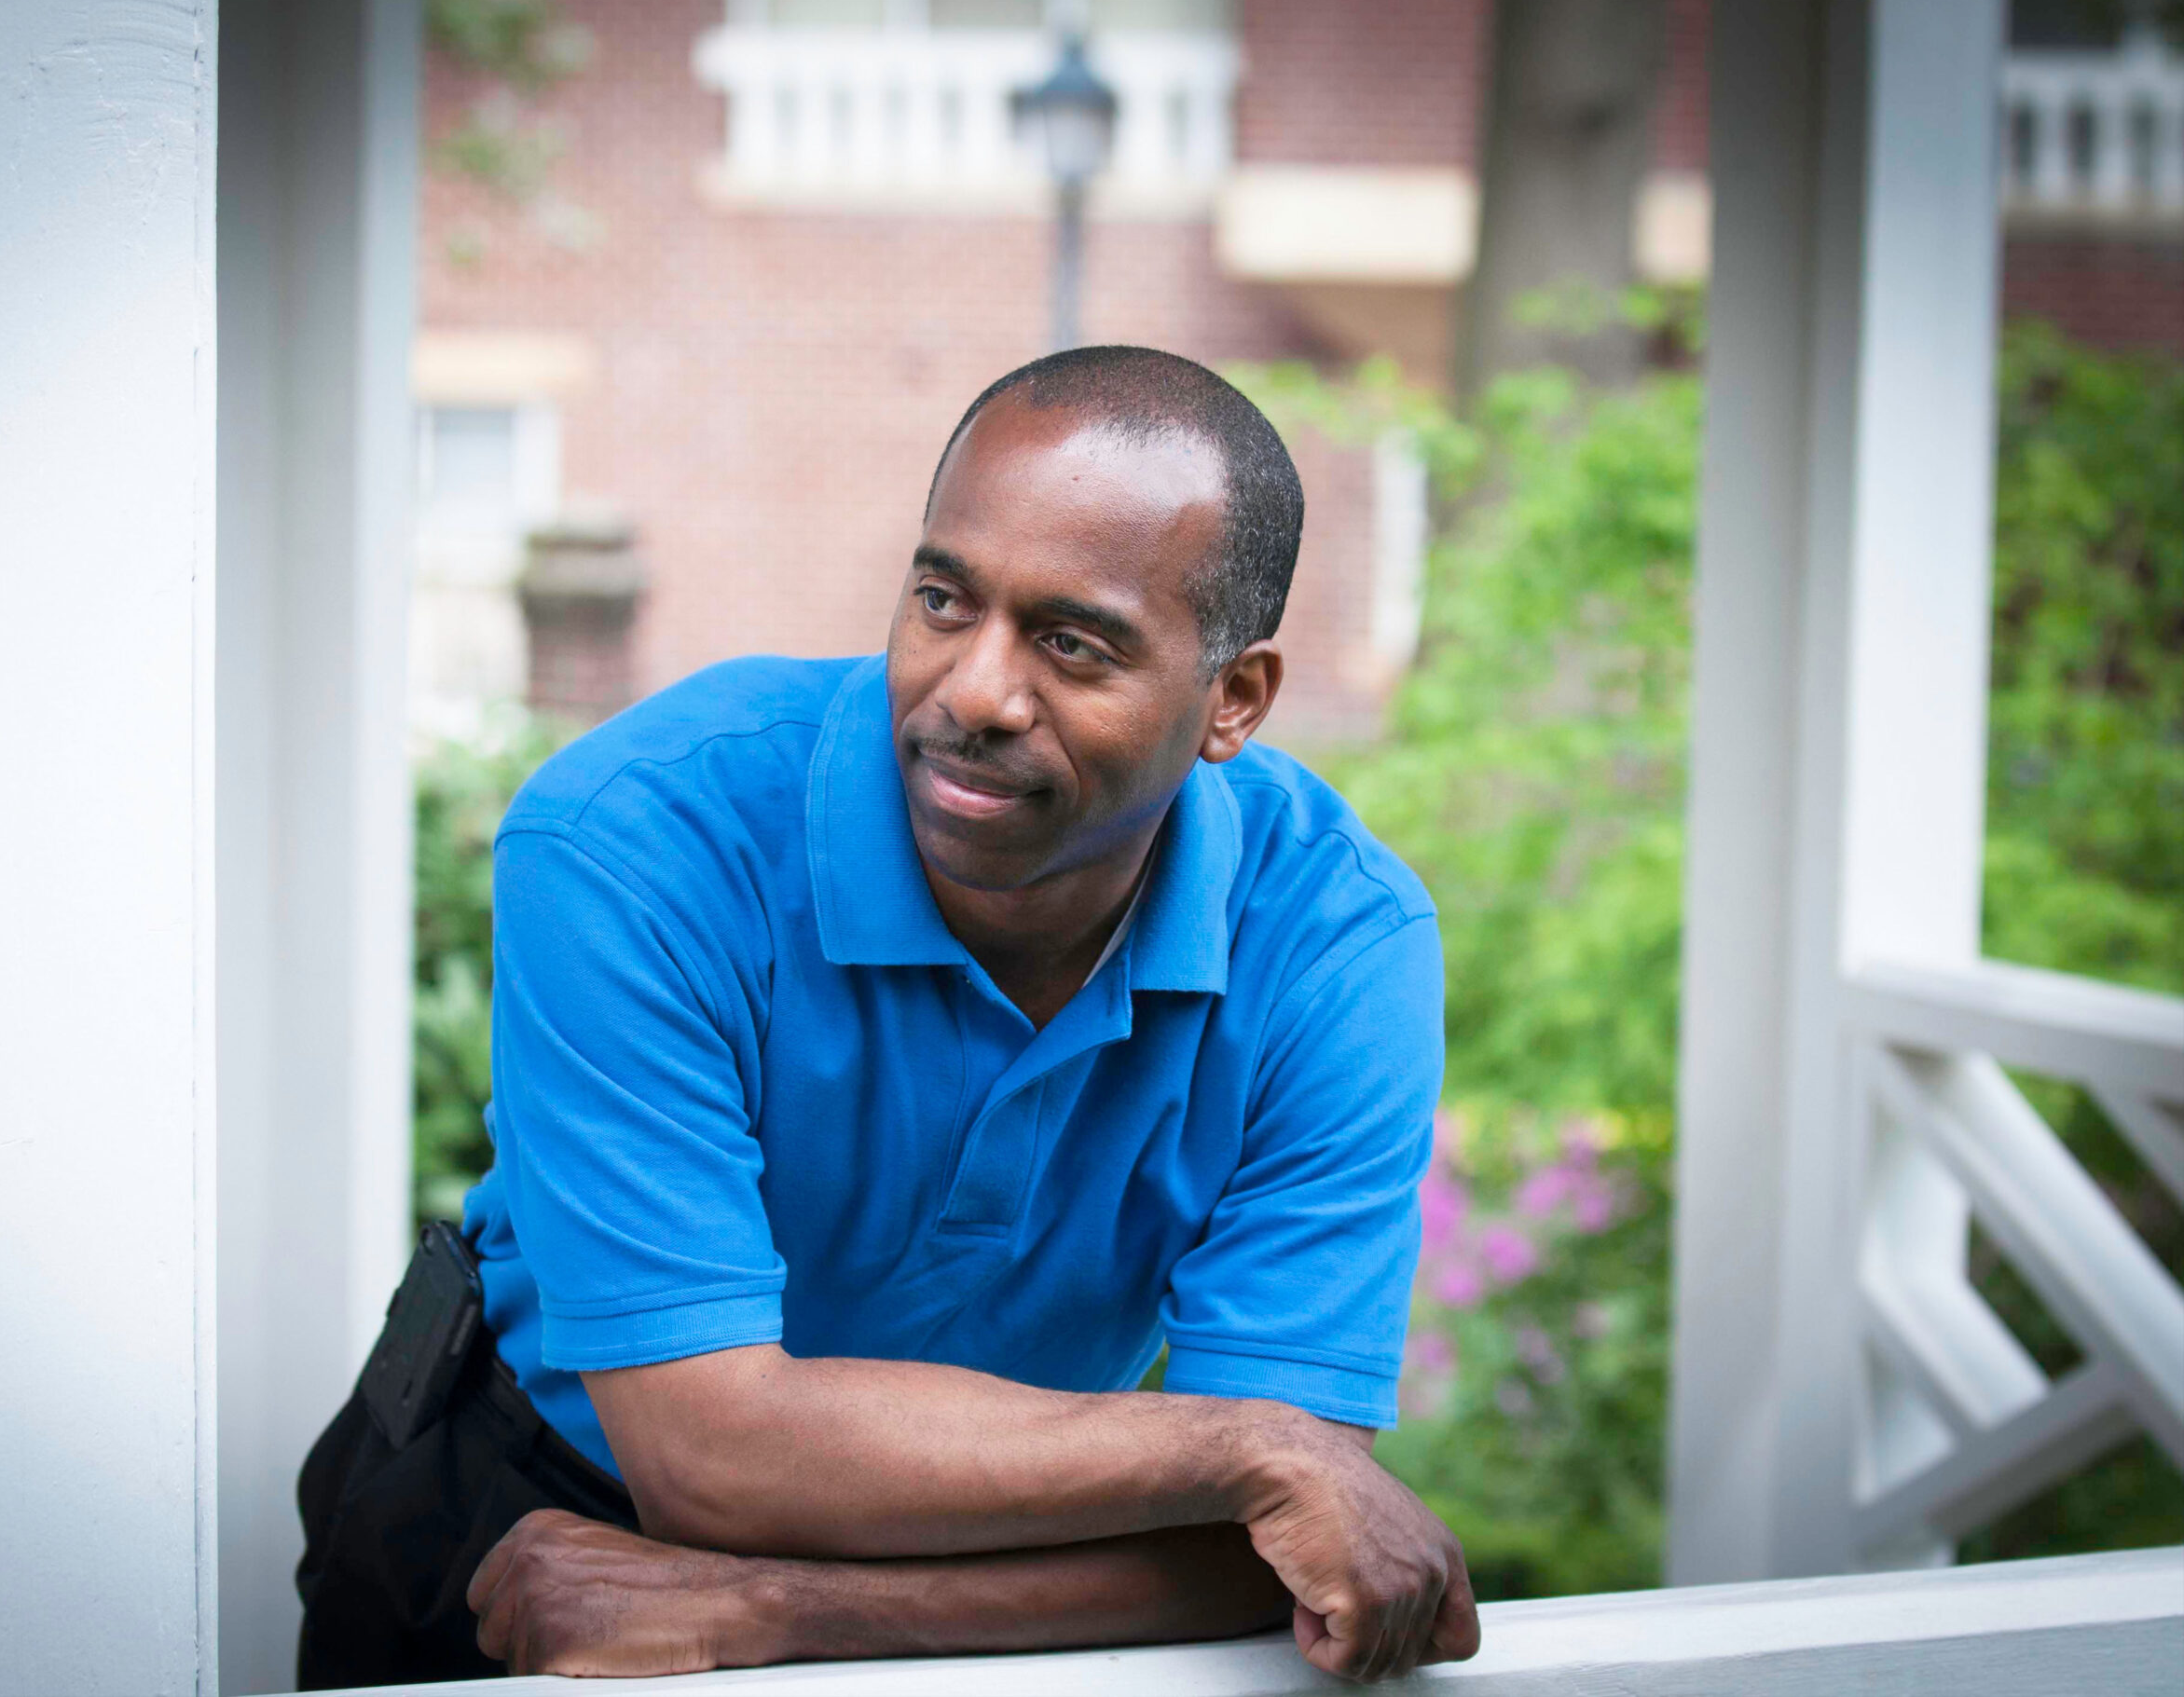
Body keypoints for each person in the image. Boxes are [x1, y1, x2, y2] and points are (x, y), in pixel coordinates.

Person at [295, 347, 1479, 1687]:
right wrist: (1240, 1449)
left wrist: (792, 1613)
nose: (974, 692)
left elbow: (1297, 1540)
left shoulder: (1335, 944)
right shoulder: (638, 839)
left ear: (1234, 702)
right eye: (942, 599)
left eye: (1072, 642)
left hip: (1012, 1564)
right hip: (540, 1528)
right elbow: (706, 1459)